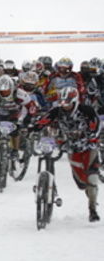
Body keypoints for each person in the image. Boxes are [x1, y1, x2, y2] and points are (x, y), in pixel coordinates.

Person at [38, 87, 100, 221]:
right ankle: (89, 191)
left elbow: (96, 123)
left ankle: (92, 210)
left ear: (75, 101)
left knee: (91, 179)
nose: (64, 105)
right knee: (81, 184)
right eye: (62, 102)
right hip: (72, 148)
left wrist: (93, 135)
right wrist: (33, 126)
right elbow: (44, 120)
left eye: (67, 102)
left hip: (89, 146)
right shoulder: (57, 111)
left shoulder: (86, 110)